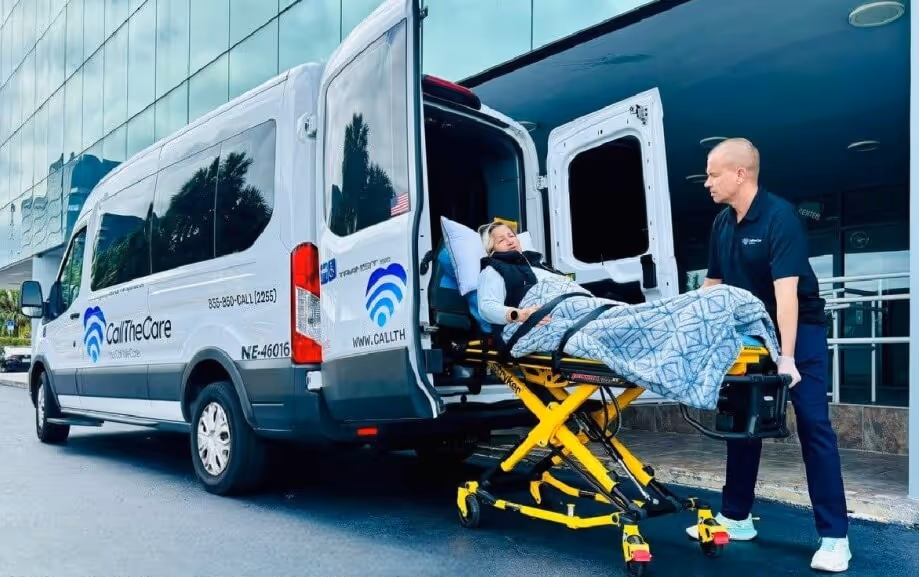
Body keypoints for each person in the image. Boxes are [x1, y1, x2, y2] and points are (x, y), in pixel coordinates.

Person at [685, 138, 851, 572]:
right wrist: (685, 328)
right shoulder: (722, 222)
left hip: (800, 331)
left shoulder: (780, 217)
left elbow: (787, 295)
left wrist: (787, 358)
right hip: (752, 334)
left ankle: (835, 538)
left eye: (713, 174)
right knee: (743, 424)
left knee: (813, 425)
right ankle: (736, 517)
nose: (707, 182)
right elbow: (713, 286)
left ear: (740, 174)